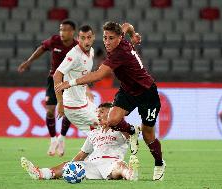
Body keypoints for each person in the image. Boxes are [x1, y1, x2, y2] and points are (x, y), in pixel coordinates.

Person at [55, 21, 166, 181]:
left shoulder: (119, 54)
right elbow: (127, 25)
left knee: (149, 134)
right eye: (105, 38)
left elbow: (98, 75)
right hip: (128, 90)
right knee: (112, 120)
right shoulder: (123, 38)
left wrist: (70, 82)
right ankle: (133, 131)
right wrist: (133, 34)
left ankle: (159, 163)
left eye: (111, 38)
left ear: (120, 38)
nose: (107, 42)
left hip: (147, 93)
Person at [53, 25, 140, 154]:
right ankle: (115, 154)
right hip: (73, 106)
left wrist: (86, 88)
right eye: (82, 38)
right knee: (102, 129)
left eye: (89, 37)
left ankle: (92, 159)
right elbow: (57, 75)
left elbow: (81, 74)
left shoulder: (91, 52)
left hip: (84, 102)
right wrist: (60, 103)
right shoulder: (73, 55)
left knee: (105, 124)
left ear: (93, 37)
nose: (86, 41)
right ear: (78, 39)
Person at [21, 103, 139, 181]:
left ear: (111, 113)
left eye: (102, 111)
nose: (98, 114)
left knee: (120, 166)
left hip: (112, 162)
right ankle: (42, 173)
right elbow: (82, 155)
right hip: (93, 164)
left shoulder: (122, 130)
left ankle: (130, 174)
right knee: (67, 164)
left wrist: (115, 122)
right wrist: (69, 167)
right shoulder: (93, 133)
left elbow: (133, 133)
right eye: (97, 112)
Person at [17, 20, 78, 157]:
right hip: (53, 80)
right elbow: (42, 49)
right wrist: (29, 61)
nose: (62, 33)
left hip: (68, 81)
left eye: (66, 30)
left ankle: (62, 138)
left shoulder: (77, 46)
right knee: (50, 111)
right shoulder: (55, 40)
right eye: (61, 29)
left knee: (67, 111)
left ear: (72, 32)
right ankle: (53, 139)